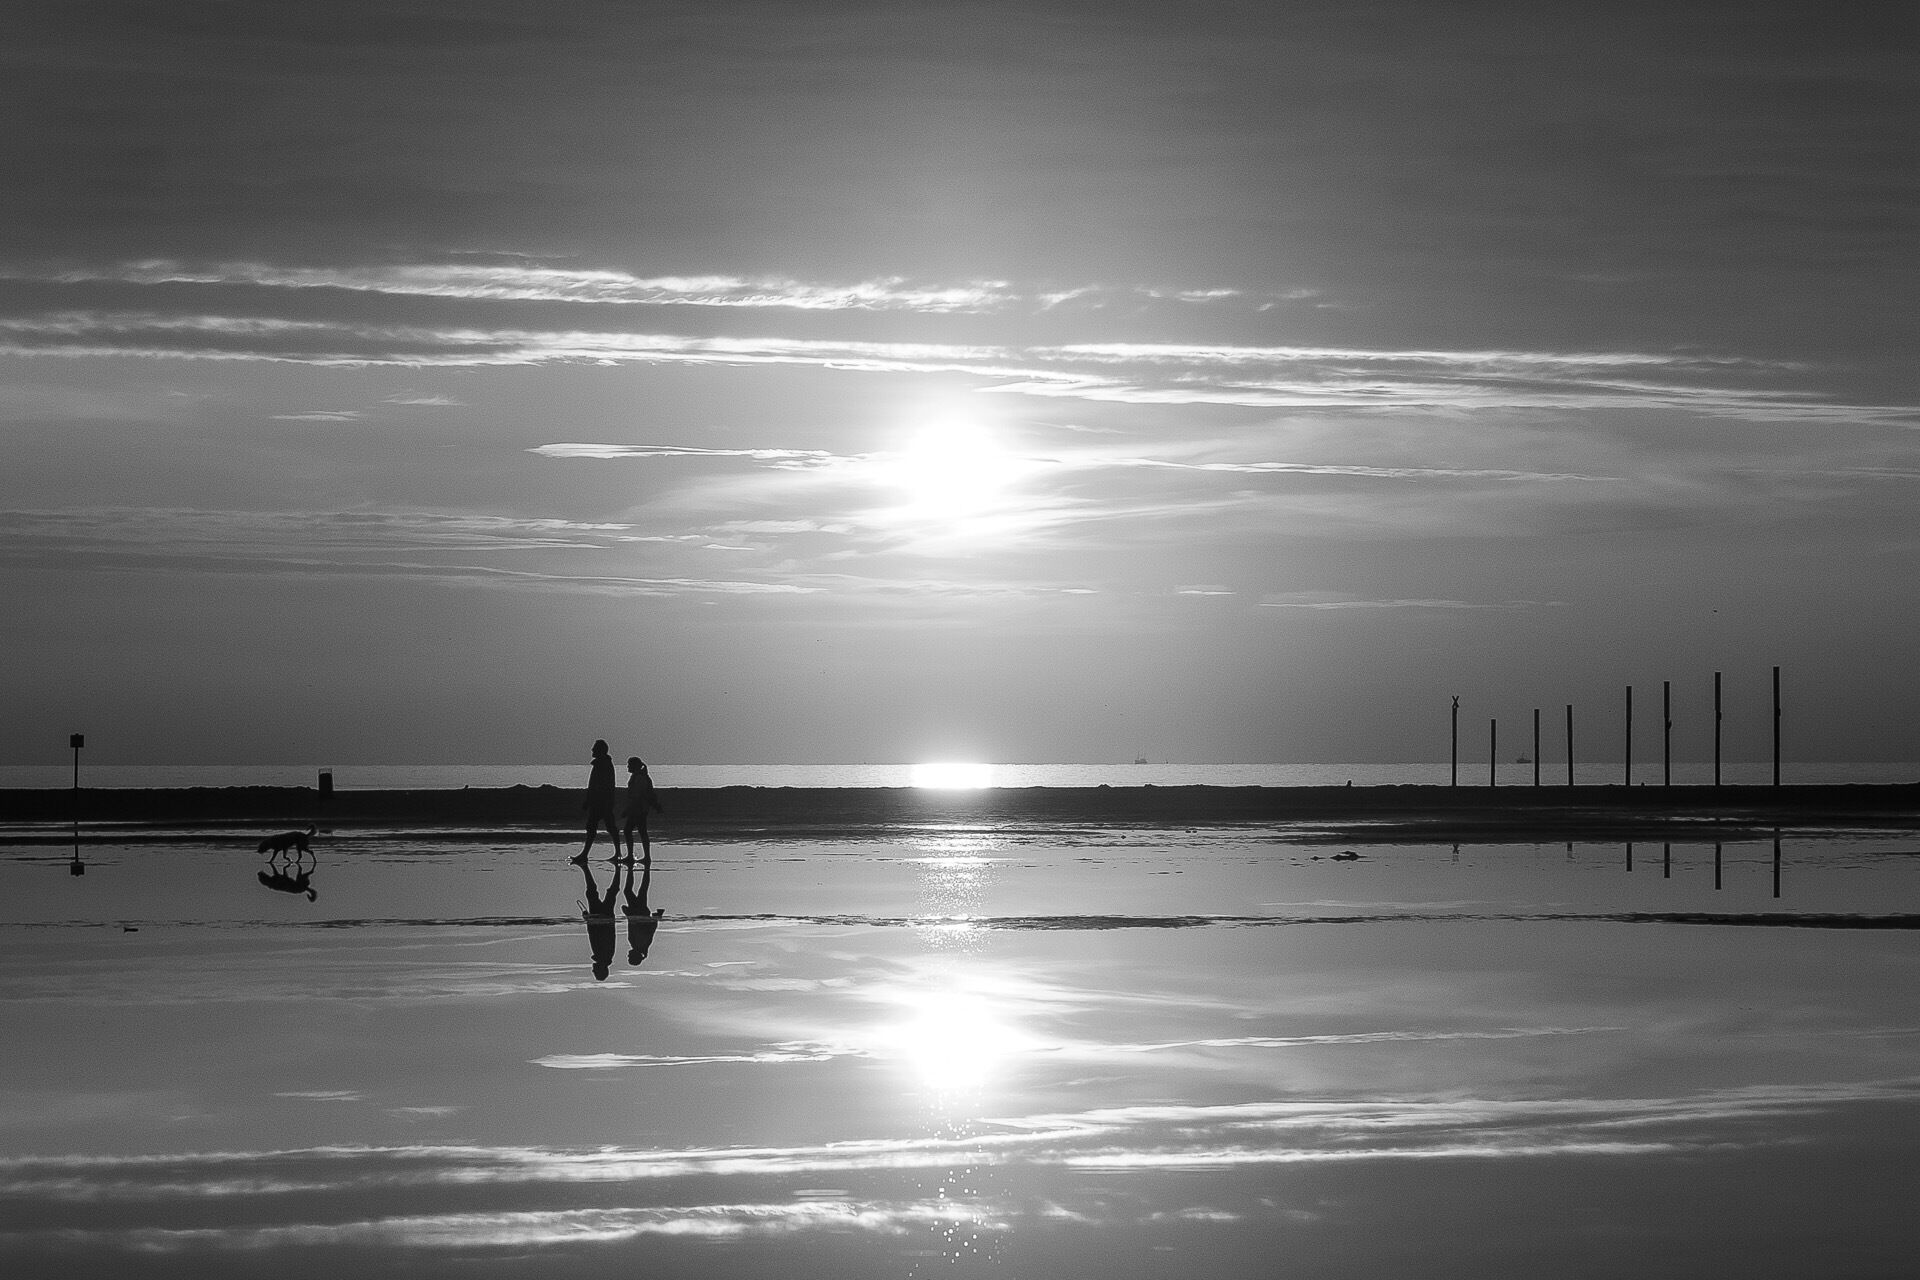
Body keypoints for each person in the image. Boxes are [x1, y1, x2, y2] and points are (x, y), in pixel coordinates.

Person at [574, 739, 620, 863]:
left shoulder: (603, 764)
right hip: (600, 801)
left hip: (602, 802)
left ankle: (617, 853)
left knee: (605, 827)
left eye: (594, 748)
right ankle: (585, 854)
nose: (592, 750)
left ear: (600, 750)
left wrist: (590, 800)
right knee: (597, 827)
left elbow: (600, 785)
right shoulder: (601, 763)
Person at [576, 856, 619, 981]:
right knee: (594, 893)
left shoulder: (605, 956)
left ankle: (617, 870)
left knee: (606, 893)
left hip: (604, 919)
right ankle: (586, 868)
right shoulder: (602, 955)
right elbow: (595, 935)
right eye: (595, 971)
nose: (593, 969)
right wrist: (589, 919)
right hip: (601, 919)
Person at [620, 849, 663, 966]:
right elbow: (642, 929)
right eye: (629, 956)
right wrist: (629, 915)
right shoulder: (640, 944)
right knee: (634, 891)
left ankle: (639, 870)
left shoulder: (639, 945)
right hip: (639, 912)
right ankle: (636, 869)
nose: (628, 954)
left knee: (637, 890)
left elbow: (647, 930)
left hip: (637, 912)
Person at [622, 757, 664, 860]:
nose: (627, 766)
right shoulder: (639, 776)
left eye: (629, 765)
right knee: (639, 831)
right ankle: (643, 856)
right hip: (640, 808)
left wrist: (627, 810)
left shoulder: (639, 778)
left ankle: (635, 856)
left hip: (639, 809)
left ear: (634, 766)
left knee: (630, 831)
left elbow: (638, 796)